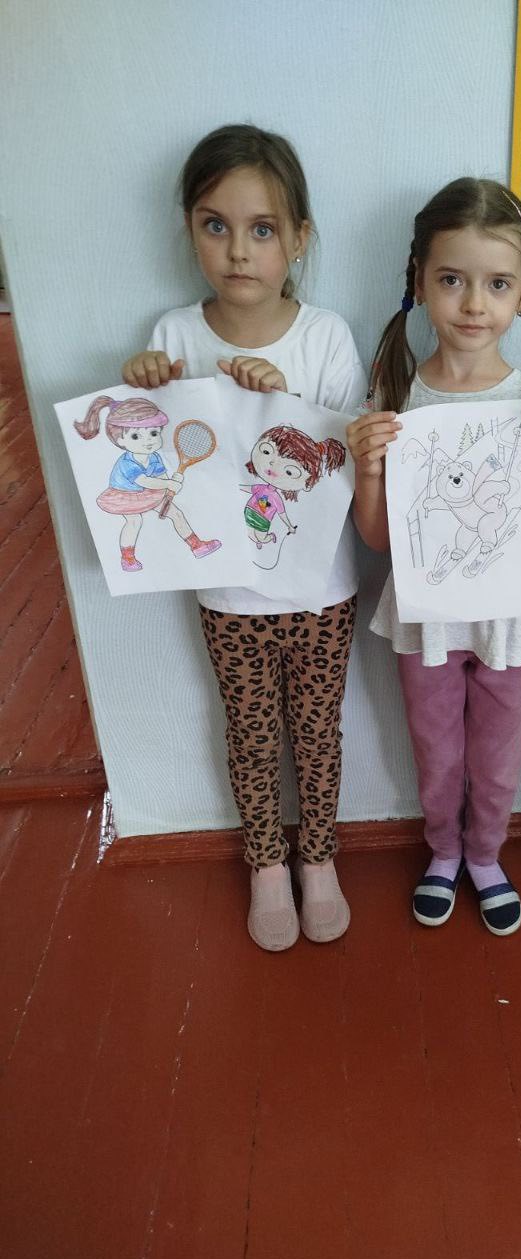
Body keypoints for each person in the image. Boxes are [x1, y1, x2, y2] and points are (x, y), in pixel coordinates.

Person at [121, 124, 366, 951]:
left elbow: (350, 458)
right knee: (251, 733)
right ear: (190, 229)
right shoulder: (175, 335)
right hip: (228, 594)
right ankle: (267, 864)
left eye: (262, 229)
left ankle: (319, 859)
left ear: (298, 239)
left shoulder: (325, 335)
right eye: (215, 225)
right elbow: (153, 456)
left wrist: (282, 398)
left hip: (322, 589)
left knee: (318, 731)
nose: (237, 250)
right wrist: (143, 389)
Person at [347, 177, 521, 936]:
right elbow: (378, 541)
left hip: (512, 616)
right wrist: (368, 470)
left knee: (498, 752)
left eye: (497, 284)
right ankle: (444, 852)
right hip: (427, 615)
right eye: (452, 279)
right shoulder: (395, 393)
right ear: (419, 281)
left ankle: (486, 855)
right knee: (436, 745)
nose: (474, 304)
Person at [74, 395, 220, 571]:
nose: (149, 440)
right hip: (125, 495)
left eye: (153, 433)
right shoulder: (127, 463)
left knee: (176, 514)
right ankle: (127, 559)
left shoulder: (154, 457)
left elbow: (160, 477)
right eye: (136, 436)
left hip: (148, 492)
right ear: (120, 440)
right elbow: (144, 481)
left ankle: (197, 546)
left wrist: (172, 484)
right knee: (134, 521)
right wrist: (168, 484)